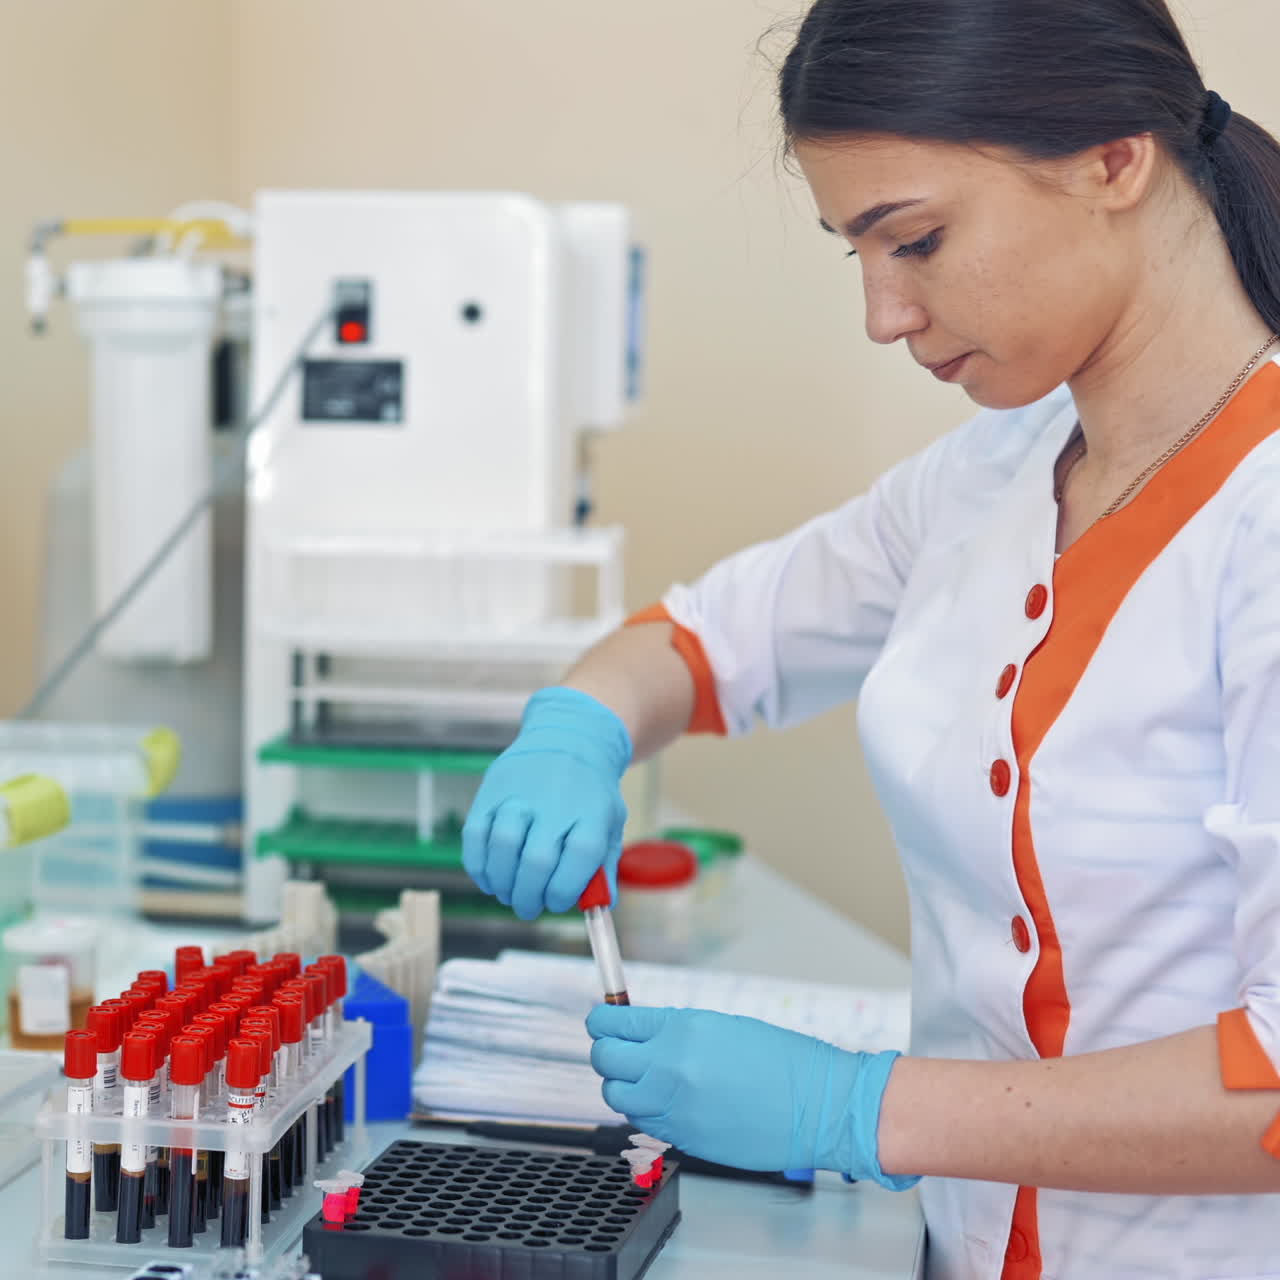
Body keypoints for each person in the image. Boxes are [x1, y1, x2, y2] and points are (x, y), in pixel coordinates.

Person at [461, 2, 1280, 1275]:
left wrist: (860, 1108)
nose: (883, 315)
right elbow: (698, 639)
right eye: (857, 253)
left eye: (917, 240)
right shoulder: (993, 474)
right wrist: (578, 727)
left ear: (1113, 158)